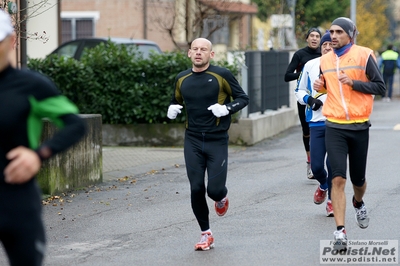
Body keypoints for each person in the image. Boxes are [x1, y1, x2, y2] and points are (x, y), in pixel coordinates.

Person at [0, 9, 87, 266]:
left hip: (16, 199)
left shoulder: (30, 85)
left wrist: (39, 155)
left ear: (11, 41)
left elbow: (74, 125)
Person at [167, 38, 249, 251]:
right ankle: (206, 234)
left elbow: (243, 98)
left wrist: (227, 109)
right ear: (189, 53)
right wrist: (172, 107)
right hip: (192, 139)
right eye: (195, 49)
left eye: (203, 50)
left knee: (214, 190)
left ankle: (221, 197)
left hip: (217, 139)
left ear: (211, 54)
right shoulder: (181, 78)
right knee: (195, 187)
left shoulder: (221, 75)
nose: (198, 53)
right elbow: (176, 99)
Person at [313, 17, 385, 250]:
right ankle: (340, 233)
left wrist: (354, 83)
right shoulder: (323, 59)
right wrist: (320, 86)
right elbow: (329, 85)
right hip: (333, 124)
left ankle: (358, 201)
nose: (333, 36)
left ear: (350, 35)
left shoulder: (364, 55)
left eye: (338, 32)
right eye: (331, 32)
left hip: (359, 125)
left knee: (358, 180)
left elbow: (380, 87)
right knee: (337, 178)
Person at [295, 30, 334, 217]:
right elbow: (299, 90)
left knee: (334, 164)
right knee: (317, 167)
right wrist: (310, 100)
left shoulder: (342, 65)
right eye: (324, 44)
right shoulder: (310, 65)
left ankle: (332, 201)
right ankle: (324, 185)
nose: (327, 47)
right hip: (316, 121)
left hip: (337, 122)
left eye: (330, 44)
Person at [285, 27, 322, 180]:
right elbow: (287, 76)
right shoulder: (300, 54)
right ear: (307, 39)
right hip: (304, 98)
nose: (314, 39)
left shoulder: (324, 54)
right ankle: (310, 161)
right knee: (307, 130)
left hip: (322, 97)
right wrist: (304, 72)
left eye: (317, 36)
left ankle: (318, 163)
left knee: (321, 129)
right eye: (311, 36)